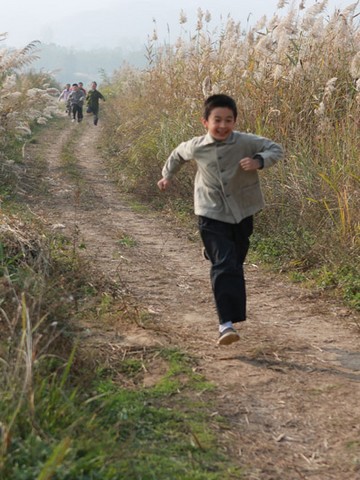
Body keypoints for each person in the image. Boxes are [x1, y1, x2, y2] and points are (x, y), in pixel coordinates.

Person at [157, 94, 284, 346]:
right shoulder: (196, 146)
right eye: (217, 120)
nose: (223, 125)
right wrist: (167, 176)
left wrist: (258, 161)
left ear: (235, 121)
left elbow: (275, 149)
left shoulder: (246, 142)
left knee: (235, 261)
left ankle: (213, 252)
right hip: (210, 211)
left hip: (242, 210)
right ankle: (226, 324)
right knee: (225, 265)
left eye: (228, 120)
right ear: (205, 121)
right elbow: (177, 155)